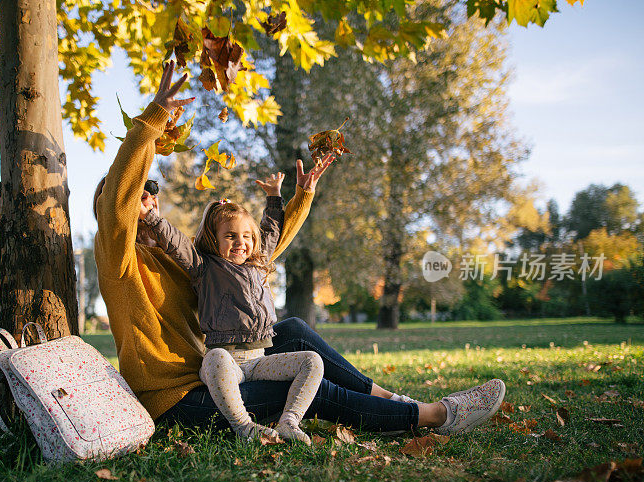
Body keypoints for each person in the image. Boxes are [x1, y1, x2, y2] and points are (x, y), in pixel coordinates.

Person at [93, 61, 505, 439]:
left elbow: (257, 257)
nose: (148, 197)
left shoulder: (176, 257)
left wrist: (302, 195)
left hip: (219, 371)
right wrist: (151, 123)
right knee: (305, 388)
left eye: (152, 192)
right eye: (138, 193)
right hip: (180, 401)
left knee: (289, 331)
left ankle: (388, 399)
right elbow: (117, 204)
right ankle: (433, 417)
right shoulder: (119, 261)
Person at [139, 169, 335, 445]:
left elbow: (272, 229)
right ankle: (244, 427)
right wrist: (150, 217)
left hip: (258, 361)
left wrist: (274, 196)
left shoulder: (258, 261)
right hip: (227, 362)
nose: (240, 243)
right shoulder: (203, 267)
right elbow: (176, 242)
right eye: (230, 236)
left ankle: (289, 421)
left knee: (312, 361)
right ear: (213, 239)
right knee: (214, 357)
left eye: (246, 236)